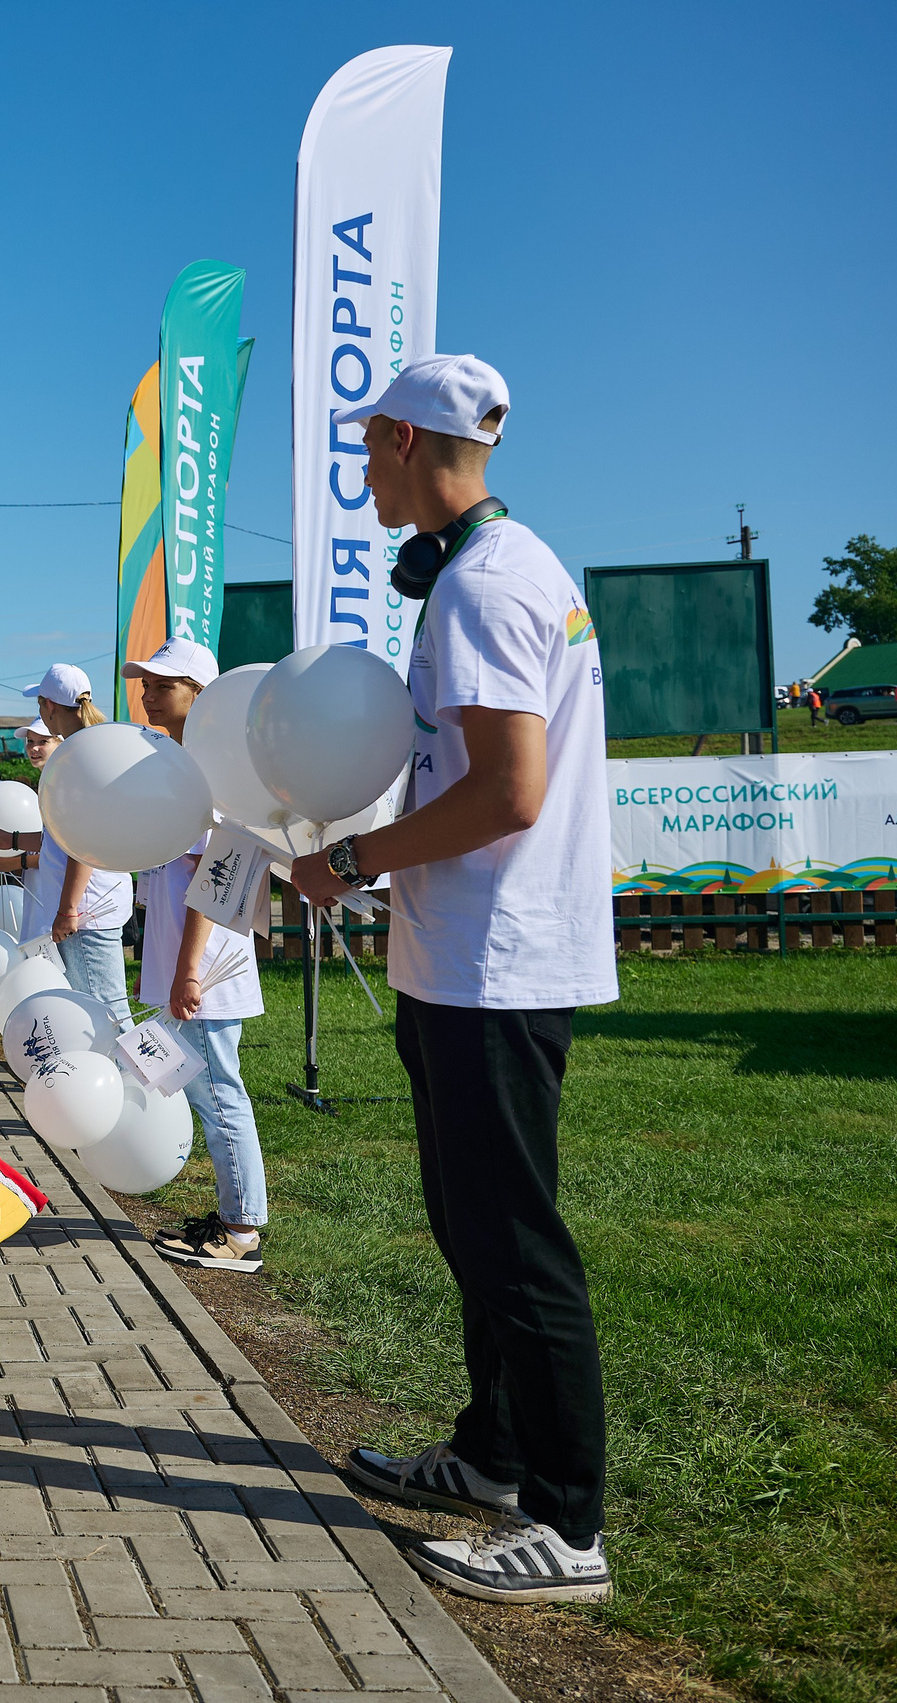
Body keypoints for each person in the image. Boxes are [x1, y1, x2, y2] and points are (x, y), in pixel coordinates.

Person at [290, 353, 616, 1606]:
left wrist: (352, 861)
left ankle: (565, 1525)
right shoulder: (497, 568)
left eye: (368, 447)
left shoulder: (484, 583)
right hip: (465, 959)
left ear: (404, 441)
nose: (363, 473)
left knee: (515, 1244)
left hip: (496, 962)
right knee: (474, 1229)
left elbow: (508, 793)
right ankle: (490, 1455)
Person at [120, 640, 269, 1272]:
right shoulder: (181, 766)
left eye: (163, 684)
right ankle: (235, 1217)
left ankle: (241, 1233)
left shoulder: (210, 774)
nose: (148, 695)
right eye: (145, 684)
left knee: (219, 1095)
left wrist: (187, 972)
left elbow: (216, 878)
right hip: (188, 966)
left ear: (200, 694)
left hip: (204, 969)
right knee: (204, 1090)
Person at [0, 666, 130, 1007]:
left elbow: (84, 841)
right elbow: (64, 838)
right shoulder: (88, 749)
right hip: (90, 906)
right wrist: (14, 839)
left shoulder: (77, 757)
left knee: (104, 1009)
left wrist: (68, 909)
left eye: (40, 704)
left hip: (86, 910)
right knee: (93, 1005)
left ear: (48, 705)